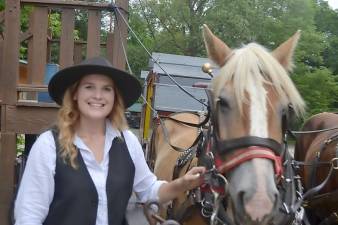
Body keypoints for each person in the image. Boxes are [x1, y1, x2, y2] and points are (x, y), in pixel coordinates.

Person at [14, 57, 206, 225]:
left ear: (114, 97)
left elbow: (149, 190)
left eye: (106, 89)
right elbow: (28, 216)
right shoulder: (48, 145)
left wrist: (183, 184)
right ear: (75, 93)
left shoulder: (127, 142)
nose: (98, 96)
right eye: (89, 87)